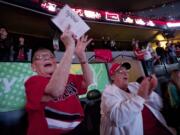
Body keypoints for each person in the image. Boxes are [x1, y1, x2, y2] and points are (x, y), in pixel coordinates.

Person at [25, 28, 93, 135]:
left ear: (55, 63)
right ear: (33, 67)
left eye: (50, 56)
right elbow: (55, 91)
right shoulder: (33, 82)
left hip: (77, 129)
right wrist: (70, 48)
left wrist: (82, 56)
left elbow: (88, 82)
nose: (46, 58)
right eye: (39, 57)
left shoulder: (68, 77)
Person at [100, 62, 176, 135]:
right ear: (112, 76)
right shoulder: (108, 92)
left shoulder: (134, 85)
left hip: (160, 127)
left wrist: (149, 92)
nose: (125, 73)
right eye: (120, 71)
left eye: (126, 71)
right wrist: (140, 96)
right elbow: (117, 118)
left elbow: (159, 105)